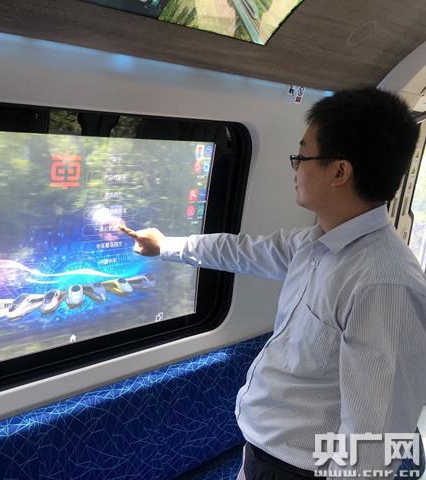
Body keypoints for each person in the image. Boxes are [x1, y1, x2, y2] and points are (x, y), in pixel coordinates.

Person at [120, 87, 426, 479]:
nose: (295, 169)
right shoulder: (316, 243)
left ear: (339, 172)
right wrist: (166, 245)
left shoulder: (385, 285)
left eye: (302, 156)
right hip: (263, 454)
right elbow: (241, 251)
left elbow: (372, 443)